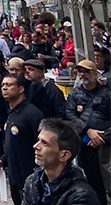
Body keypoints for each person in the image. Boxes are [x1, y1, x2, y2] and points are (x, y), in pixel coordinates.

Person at [22, 117, 100, 205]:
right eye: (38, 140)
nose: (35, 146)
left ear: (64, 155)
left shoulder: (81, 195)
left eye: (45, 143)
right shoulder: (32, 182)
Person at [0, 74, 43, 205]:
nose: (4, 88)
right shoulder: (11, 113)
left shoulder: (32, 114)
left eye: (9, 85)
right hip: (14, 178)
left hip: (30, 179)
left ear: (21, 89)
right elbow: (15, 143)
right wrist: (3, 159)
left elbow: (43, 144)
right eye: (3, 85)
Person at [66, 59, 111, 205]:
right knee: (93, 182)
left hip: (106, 145)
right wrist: (88, 131)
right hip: (85, 144)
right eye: (80, 71)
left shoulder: (107, 94)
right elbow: (70, 115)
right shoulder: (75, 94)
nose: (83, 74)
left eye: (86, 71)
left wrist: (104, 137)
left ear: (95, 73)